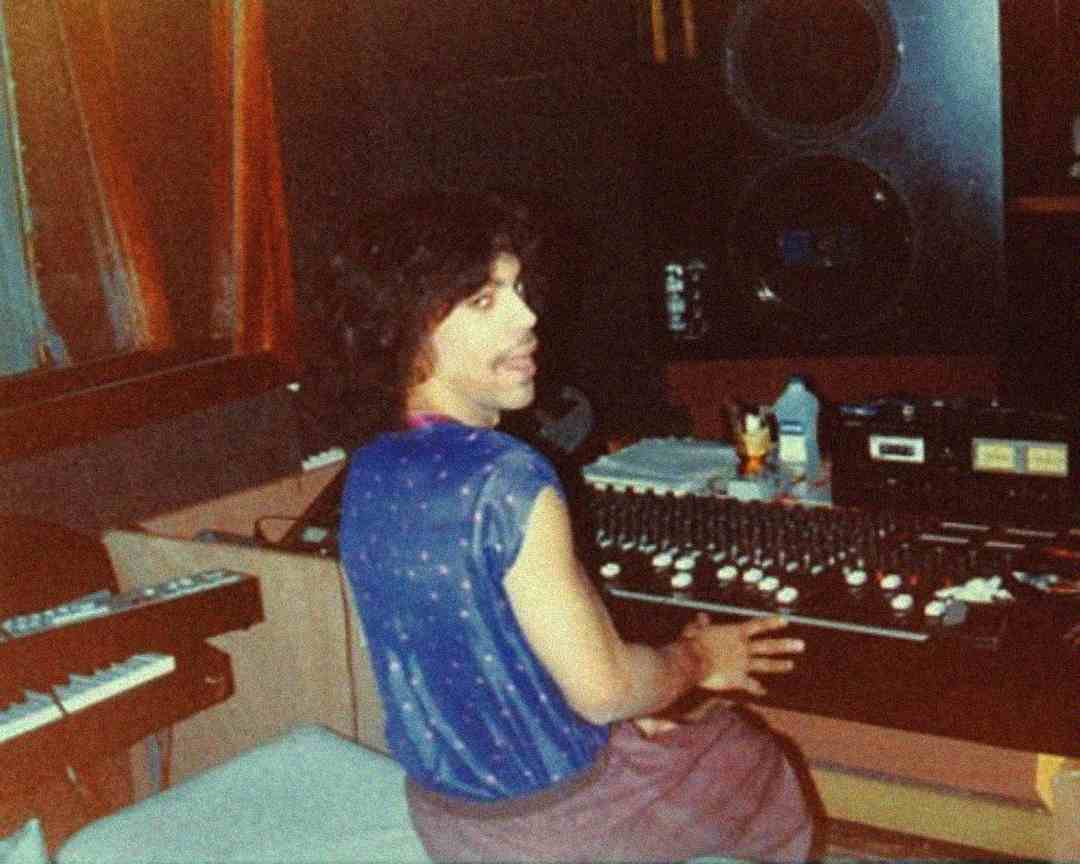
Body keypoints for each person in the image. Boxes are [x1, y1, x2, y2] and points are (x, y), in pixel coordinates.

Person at [328, 189, 815, 863]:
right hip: (558, 827)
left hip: (444, 818)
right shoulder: (507, 478)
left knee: (652, 724)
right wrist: (703, 659)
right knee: (750, 754)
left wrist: (627, 702)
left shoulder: (370, 469)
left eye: (519, 289)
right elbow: (604, 692)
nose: (529, 316)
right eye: (485, 301)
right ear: (410, 330)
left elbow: (466, 657)